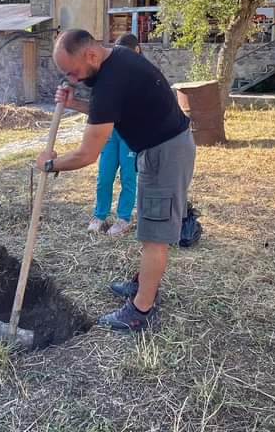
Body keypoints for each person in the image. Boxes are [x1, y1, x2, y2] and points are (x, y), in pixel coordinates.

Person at [36, 29, 196, 332]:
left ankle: (140, 311)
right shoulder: (118, 61)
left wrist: (50, 165)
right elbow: (110, 112)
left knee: (155, 236)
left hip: (166, 153)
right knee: (151, 226)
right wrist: (75, 104)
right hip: (158, 148)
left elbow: (86, 154)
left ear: (91, 55)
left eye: (73, 72)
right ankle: (142, 284)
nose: (72, 79)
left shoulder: (111, 81)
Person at [88, 33, 141, 237]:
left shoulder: (141, 72)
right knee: (104, 176)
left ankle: (123, 218)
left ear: (137, 51)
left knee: (128, 176)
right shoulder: (108, 72)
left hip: (131, 135)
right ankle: (99, 215)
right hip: (111, 132)